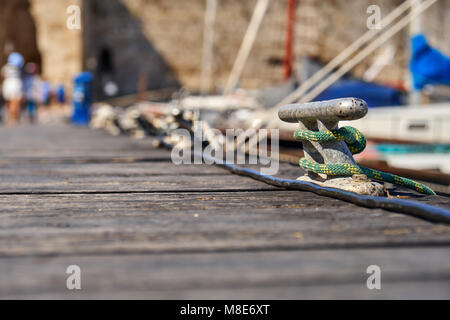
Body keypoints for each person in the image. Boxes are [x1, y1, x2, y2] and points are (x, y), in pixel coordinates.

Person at [1, 52, 24, 125]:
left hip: (8, 84)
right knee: (15, 102)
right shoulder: (19, 69)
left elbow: (3, 75)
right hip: (16, 84)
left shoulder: (6, 67)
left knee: (8, 102)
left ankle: (10, 117)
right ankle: (13, 117)